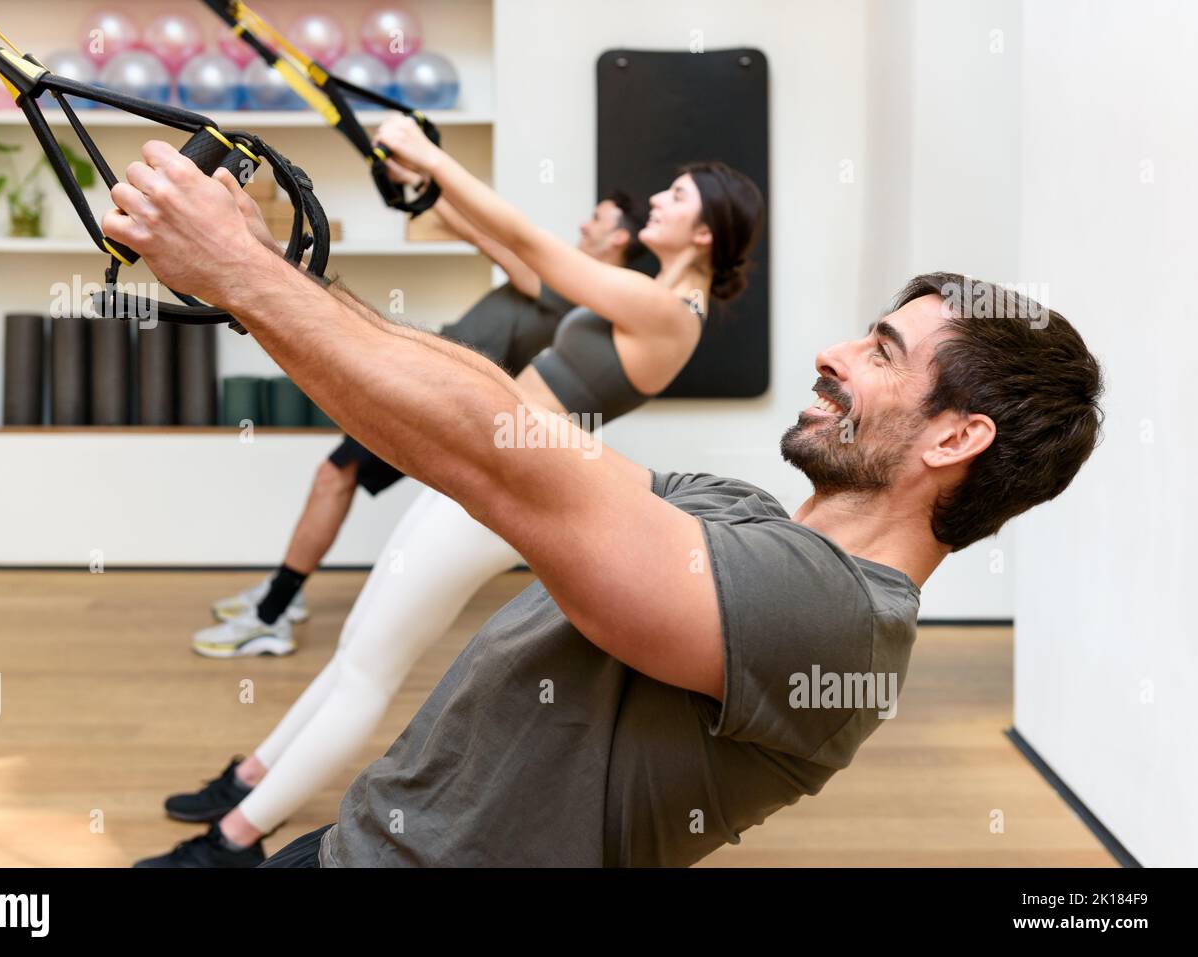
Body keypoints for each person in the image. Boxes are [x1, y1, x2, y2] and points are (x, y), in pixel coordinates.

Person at [104, 129, 1102, 865]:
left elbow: (497, 458)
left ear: (956, 436)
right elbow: (495, 431)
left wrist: (240, 271)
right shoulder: (734, 512)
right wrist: (260, 269)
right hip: (359, 843)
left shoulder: (837, 623)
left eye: (880, 350)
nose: (831, 352)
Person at [134, 116, 764, 866]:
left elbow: (534, 245)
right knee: (358, 650)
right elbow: (517, 255)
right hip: (485, 474)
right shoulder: (642, 296)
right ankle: (250, 779)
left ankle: (231, 843)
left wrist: (435, 157)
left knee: (369, 669)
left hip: (510, 495)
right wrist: (430, 189)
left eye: (679, 194)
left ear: (706, 235)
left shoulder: (668, 311)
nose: (657, 198)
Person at [193, 188, 647, 657]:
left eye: (597, 218)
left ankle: (272, 614)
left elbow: (490, 241)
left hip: (437, 395)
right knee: (336, 475)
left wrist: (434, 191)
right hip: (425, 378)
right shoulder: (572, 282)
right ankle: (281, 593)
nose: (585, 225)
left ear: (617, 236)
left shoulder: (574, 287)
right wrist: (427, 191)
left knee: (335, 476)